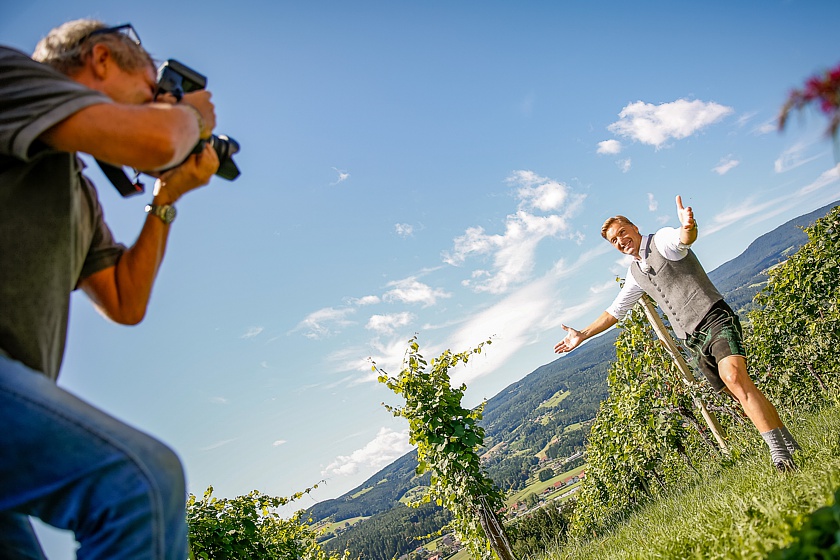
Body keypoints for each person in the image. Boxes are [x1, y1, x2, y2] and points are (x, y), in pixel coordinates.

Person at [0, 19, 220, 558]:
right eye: (151, 92)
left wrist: (167, 198)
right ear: (100, 59)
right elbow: (156, 140)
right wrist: (192, 114)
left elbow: (125, 301)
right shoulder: (11, 78)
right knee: (139, 484)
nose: (157, 106)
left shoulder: (73, 186)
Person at [554, 195, 799, 472]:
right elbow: (615, 310)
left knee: (735, 378)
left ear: (634, 228)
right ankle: (788, 443)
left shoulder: (661, 241)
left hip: (713, 317)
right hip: (691, 339)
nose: (620, 240)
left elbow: (682, 239)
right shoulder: (635, 272)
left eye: (622, 232)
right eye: (614, 240)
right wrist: (582, 334)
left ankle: (779, 454)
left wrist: (688, 227)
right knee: (738, 390)